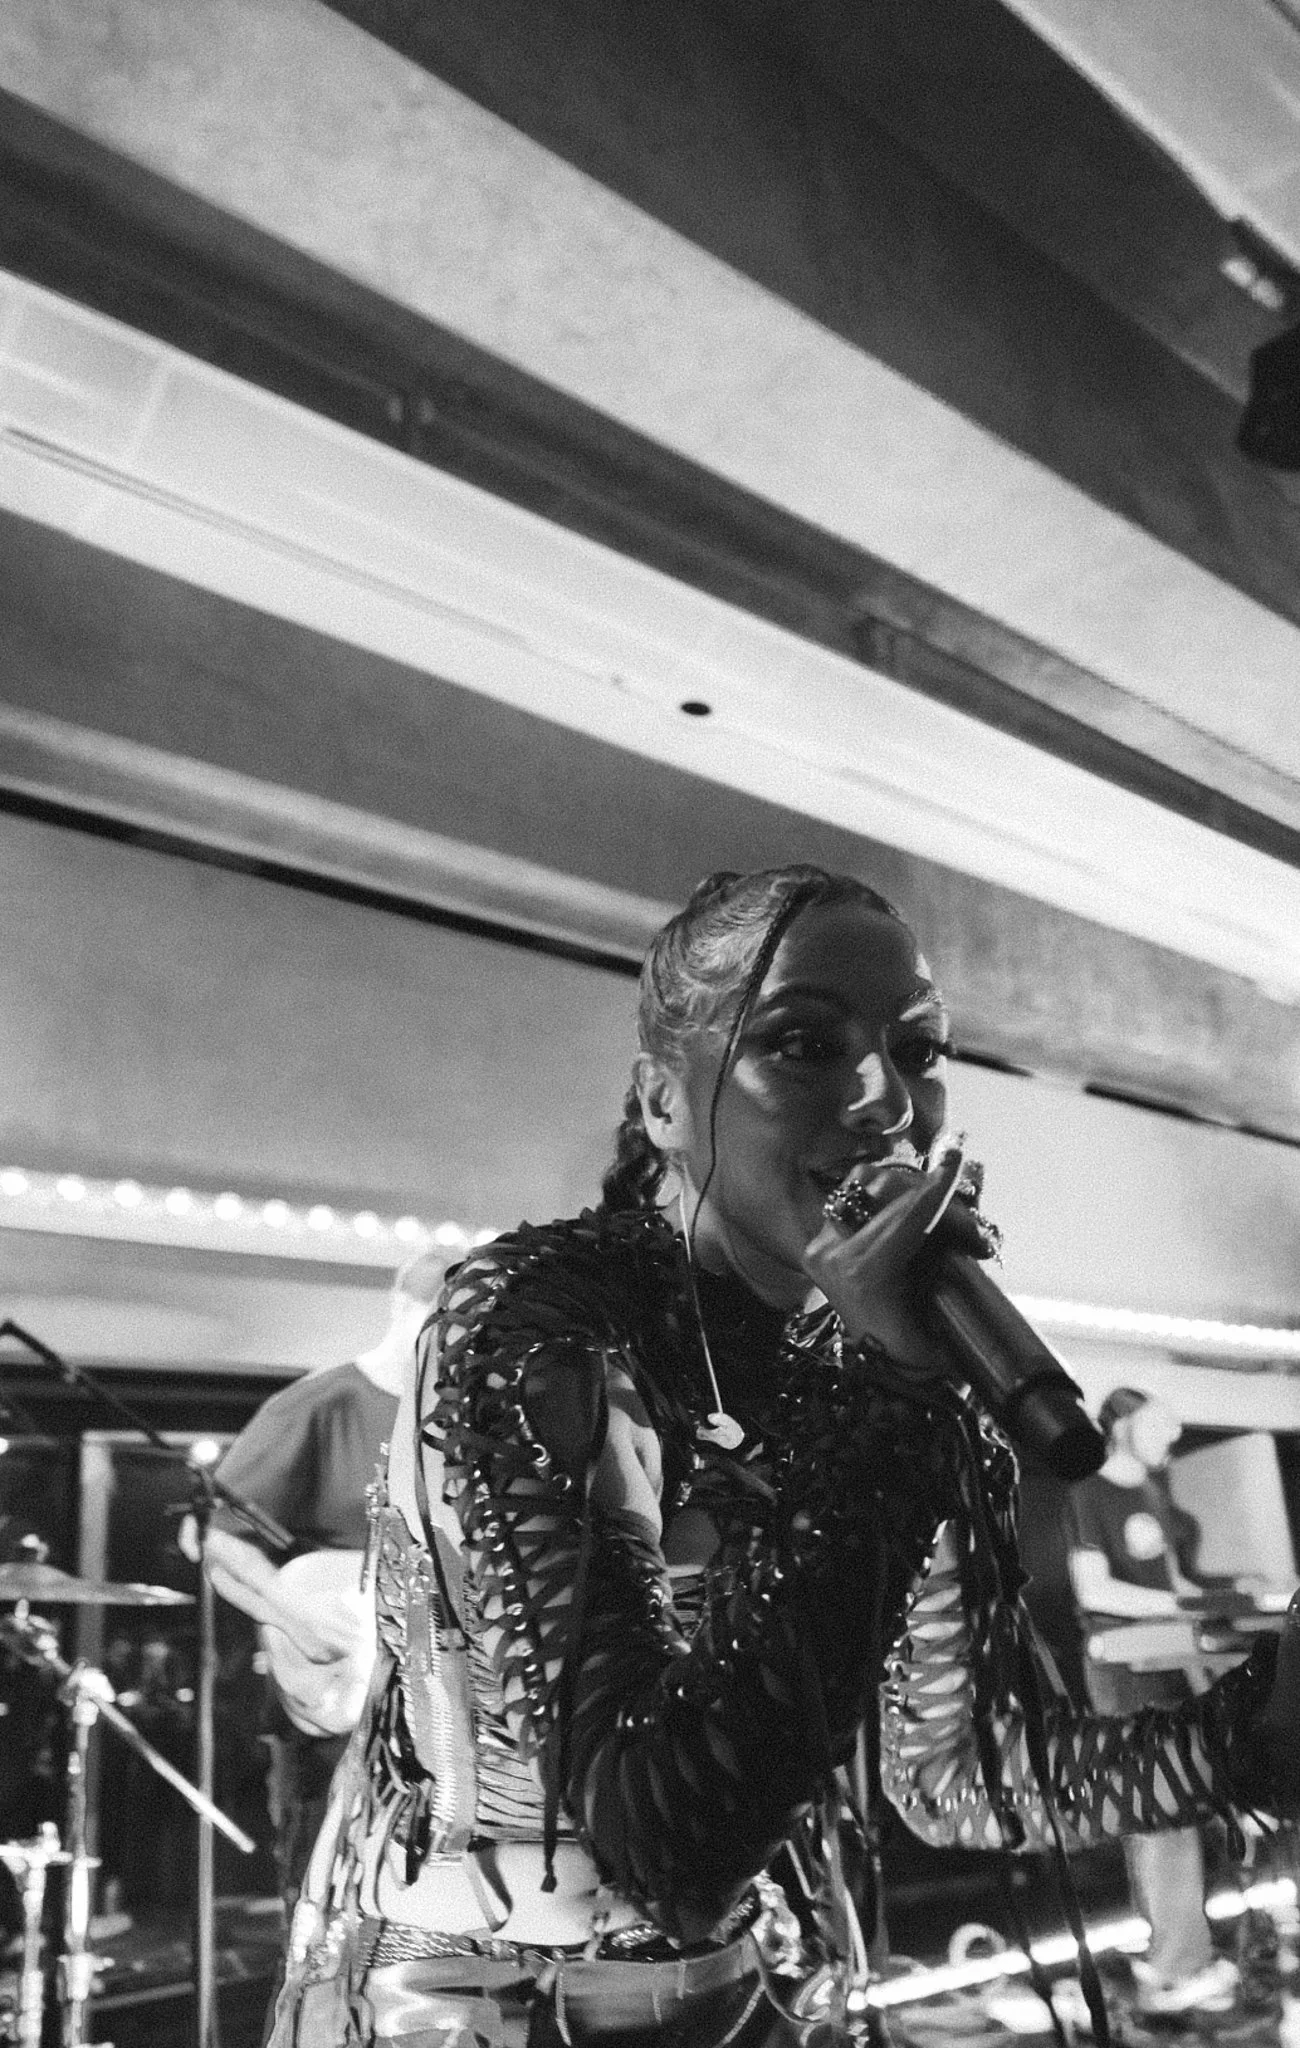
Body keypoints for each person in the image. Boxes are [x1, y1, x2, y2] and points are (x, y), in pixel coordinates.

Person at [267, 865, 1295, 2048]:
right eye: (803, 1044)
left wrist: (1255, 1734)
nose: (886, 1099)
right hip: (458, 1998)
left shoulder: (889, 1367)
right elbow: (663, 1841)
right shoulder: (539, 1324)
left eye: (916, 1050)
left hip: (750, 1986)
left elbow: (962, 1772)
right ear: (663, 1100)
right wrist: (893, 1395)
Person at [202, 1247, 450, 1911]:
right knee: (325, 1890)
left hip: (436, 1698)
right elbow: (218, 1540)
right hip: (337, 1695)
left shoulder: (458, 1420)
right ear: (402, 1307)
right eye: (438, 1318)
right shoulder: (319, 1402)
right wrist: (298, 1618)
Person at [1068, 1387, 1258, 2017]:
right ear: (1123, 1426)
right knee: (1160, 1810)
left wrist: (1230, 1592)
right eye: (1158, 1428)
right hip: (1124, 1667)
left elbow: (1176, 1580)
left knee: (1176, 1807)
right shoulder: (1088, 1492)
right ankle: (1177, 1967)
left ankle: (1174, 1956)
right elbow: (1094, 1589)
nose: (1170, 1441)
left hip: (1168, 1658)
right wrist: (1183, 1605)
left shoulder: (1153, 1490)